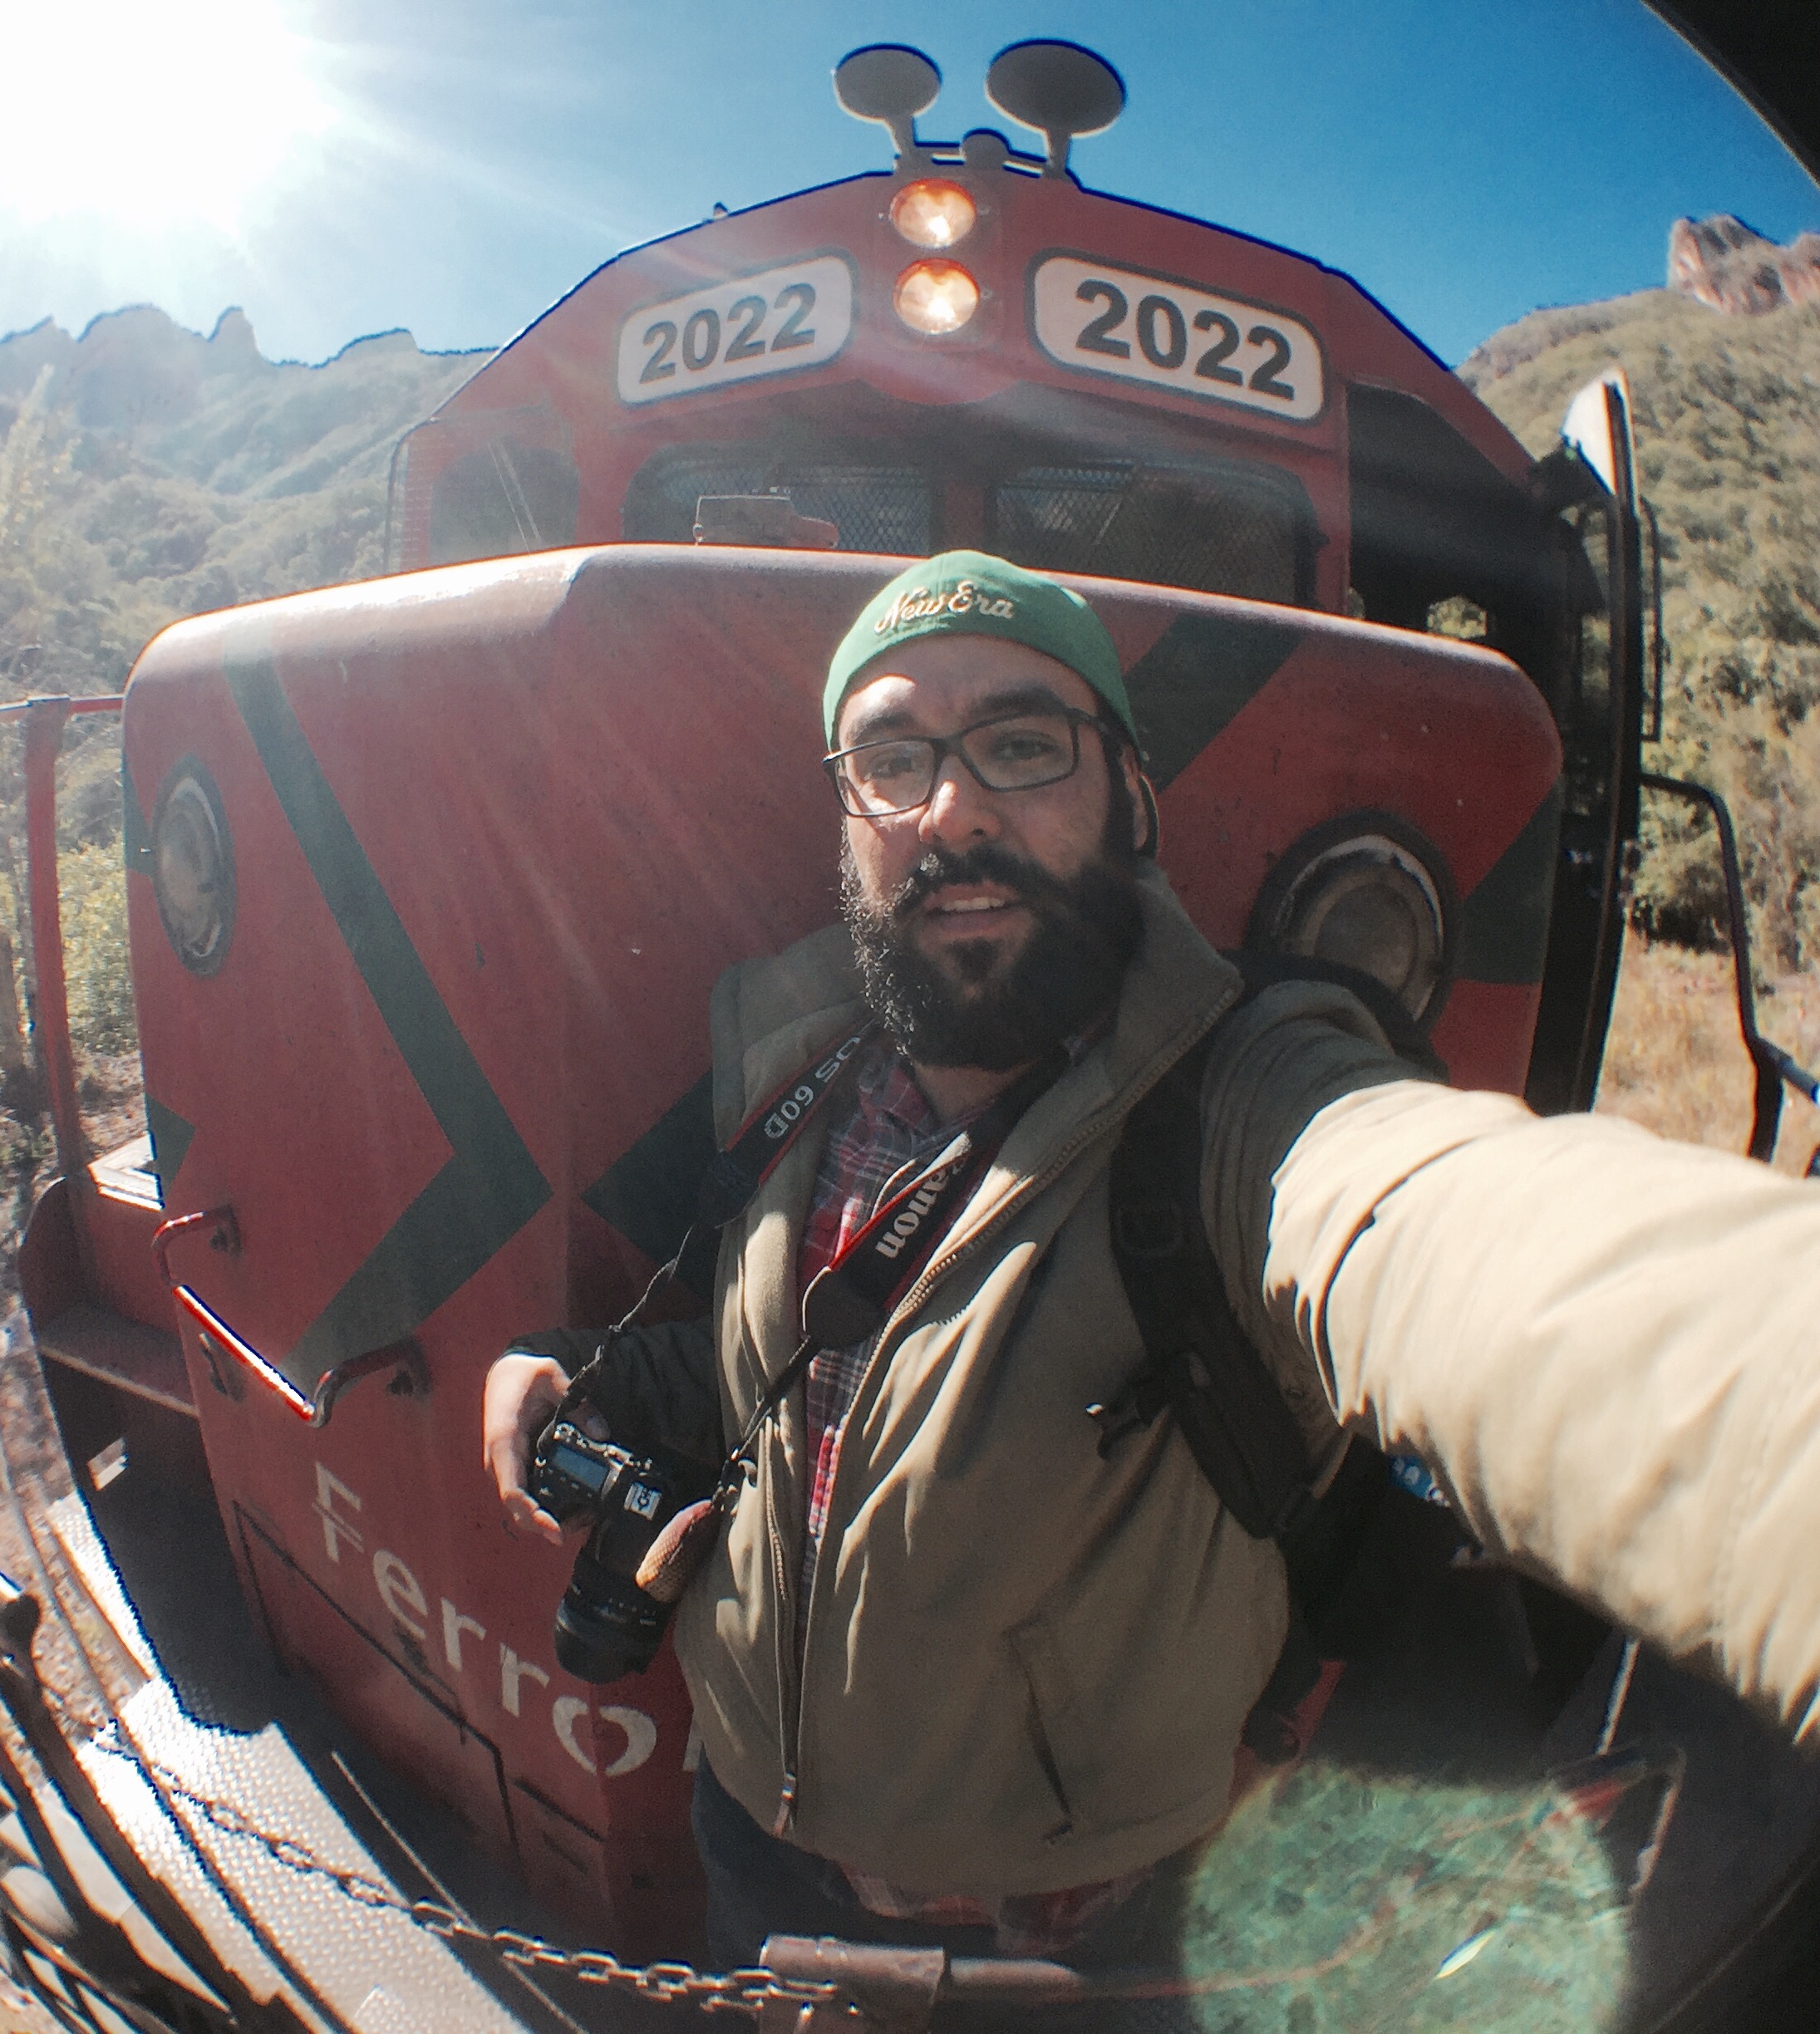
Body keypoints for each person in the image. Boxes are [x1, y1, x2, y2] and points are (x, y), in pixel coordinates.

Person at [484, 549, 1820, 1973]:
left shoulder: (1243, 1103)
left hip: (1075, 1942)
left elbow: (1458, 1235)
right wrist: (580, 1377)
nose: (952, 808)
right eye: (892, 759)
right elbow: (802, 1382)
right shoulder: (795, 1076)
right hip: (753, 1851)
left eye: (1020, 745)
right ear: (848, 816)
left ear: (1130, 796)